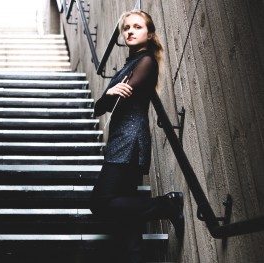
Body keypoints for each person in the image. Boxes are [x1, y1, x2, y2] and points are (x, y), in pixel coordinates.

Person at [90, 9, 185, 263]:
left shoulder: (146, 62)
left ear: (149, 33)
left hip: (129, 142)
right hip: (121, 140)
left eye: (137, 27)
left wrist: (111, 95)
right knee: (128, 219)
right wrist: (108, 95)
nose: (130, 31)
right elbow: (100, 107)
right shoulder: (129, 64)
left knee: (99, 202)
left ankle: (167, 204)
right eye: (126, 28)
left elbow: (120, 98)